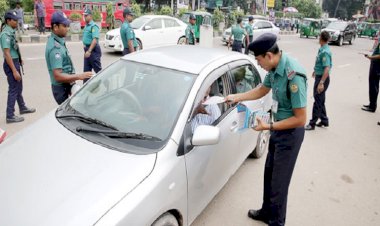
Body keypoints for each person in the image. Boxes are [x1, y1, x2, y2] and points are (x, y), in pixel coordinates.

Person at [226, 33, 307, 226]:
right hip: (277, 129)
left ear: (269, 56)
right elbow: (263, 89)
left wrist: (268, 126)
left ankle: (277, 222)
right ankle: (266, 211)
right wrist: (238, 97)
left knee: (280, 183)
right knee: (269, 174)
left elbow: (301, 119)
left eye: (259, 60)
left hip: (290, 134)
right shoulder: (274, 69)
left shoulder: (294, 75)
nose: (259, 64)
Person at [45, 11, 92, 104]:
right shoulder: (55, 48)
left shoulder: (59, 40)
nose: (67, 28)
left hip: (67, 84)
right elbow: (58, 76)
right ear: (55, 27)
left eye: (67, 25)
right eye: (64, 26)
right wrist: (79, 76)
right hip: (61, 88)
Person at [0, 10, 36, 123]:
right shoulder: (5, 34)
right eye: (14, 20)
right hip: (11, 64)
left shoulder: (11, 31)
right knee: (13, 89)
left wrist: (19, 59)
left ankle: (22, 107)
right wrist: (14, 70)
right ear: (8, 21)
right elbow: (7, 53)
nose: (17, 22)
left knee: (18, 88)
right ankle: (10, 115)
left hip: (15, 62)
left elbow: (13, 49)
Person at [305, 31, 332, 130]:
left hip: (322, 79)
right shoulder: (322, 49)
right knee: (320, 100)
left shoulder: (325, 52)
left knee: (317, 101)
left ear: (321, 38)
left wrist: (321, 83)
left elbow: (327, 68)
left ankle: (312, 124)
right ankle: (324, 120)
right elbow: (321, 65)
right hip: (320, 76)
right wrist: (315, 71)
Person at [362, 30, 380, 113]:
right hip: (375, 64)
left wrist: (371, 57)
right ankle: (371, 104)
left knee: (374, 86)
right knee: (372, 85)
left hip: (377, 66)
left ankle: (372, 106)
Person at [82, 8, 102, 83]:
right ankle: (85, 87)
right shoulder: (87, 26)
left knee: (98, 71)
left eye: (86, 15)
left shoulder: (94, 26)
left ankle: (106, 84)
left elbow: (95, 40)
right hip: (87, 50)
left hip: (93, 51)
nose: (84, 17)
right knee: (86, 72)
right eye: (84, 15)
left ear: (90, 16)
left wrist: (89, 51)